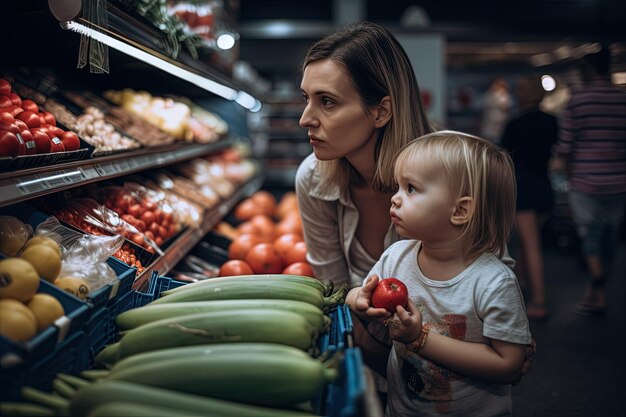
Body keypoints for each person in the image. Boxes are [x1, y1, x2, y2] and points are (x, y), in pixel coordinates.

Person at [295, 21, 534, 407]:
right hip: (382, 367)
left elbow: (491, 274)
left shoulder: (454, 172)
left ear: (381, 110)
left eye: (327, 101)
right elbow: (335, 291)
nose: (306, 118)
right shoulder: (313, 178)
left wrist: (504, 342)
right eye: (305, 98)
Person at [346, 131, 532, 416]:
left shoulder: (492, 282)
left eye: (410, 189)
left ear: (460, 210)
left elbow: (508, 365)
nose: (394, 198)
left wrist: (419, 339)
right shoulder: (396, 256)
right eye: (398, 186)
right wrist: (358, 299)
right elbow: (359, 293)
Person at [551, 47, 626, 317]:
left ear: (589, 70)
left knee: (589, 234)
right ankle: (598, 287)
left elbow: (566, 147)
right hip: (619, 181)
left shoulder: (578, 100)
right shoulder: (621, 99)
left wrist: (570, 178)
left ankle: (598, 288)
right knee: (610, 236)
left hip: (585, 179)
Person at [500, 75, 558, 321]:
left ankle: (540, 301)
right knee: (527, 242)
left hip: (524, 188)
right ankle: (522, 286)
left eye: (521, 88)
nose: (517, 92)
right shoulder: (552, 122)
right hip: (545, 187)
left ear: (527, 93)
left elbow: (503, 160)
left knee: (531, 244)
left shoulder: (514, 124)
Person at [480, 77, 512, 144]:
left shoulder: (503, 95)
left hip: (500, 123)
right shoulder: (487, 95)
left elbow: (507, 107)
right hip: (489, 122)